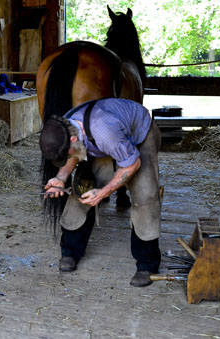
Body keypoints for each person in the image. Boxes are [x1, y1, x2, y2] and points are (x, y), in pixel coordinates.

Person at [39, 98, 162, 287]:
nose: (67, 158)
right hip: (104, 141)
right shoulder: (63, 126)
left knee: (145, 195)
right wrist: (60, 179)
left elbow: (132, 163)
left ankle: (147, 264)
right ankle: (70, 252)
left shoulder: (104, 131)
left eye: (67, 154)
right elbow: (73, 153)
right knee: (82, 189)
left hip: (139, 136)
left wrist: (104, 192)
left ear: (73, 139)